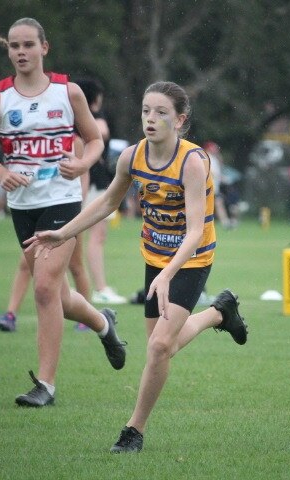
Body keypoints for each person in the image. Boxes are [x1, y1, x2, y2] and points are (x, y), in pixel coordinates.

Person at [24, 81, 248, 452]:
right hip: (155, 257)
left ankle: (134, 431)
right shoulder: (132, 157)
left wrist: (167, 274)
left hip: (192, 259)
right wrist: (63, 233)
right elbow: (108, 202)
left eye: (161, 112)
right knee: (163, 347)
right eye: (146, 110)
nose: (151, 118)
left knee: (159, 347)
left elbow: (194, 232)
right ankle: (219, 314)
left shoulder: (192, 162)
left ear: (180, 120)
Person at [0, 16, 127, 406]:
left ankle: (46, 385)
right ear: (7, 50)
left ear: (45, 47)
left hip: (62, 202)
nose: (21, 52)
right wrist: (1, 172)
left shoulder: (68, 92)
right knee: (57, 293)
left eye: (28, 44)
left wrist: (82, 165)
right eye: (14, 45)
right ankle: (103, 324)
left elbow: (94, 140)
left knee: (43, 288)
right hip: (22, 207)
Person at [75, 77, 127, 305]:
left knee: (80, 237)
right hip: (93, 183)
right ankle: (99, 288)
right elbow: (102, 132)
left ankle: (88, 286)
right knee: (96, 236)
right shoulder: (90, 117)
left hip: (88, 183)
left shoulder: (73, 118)